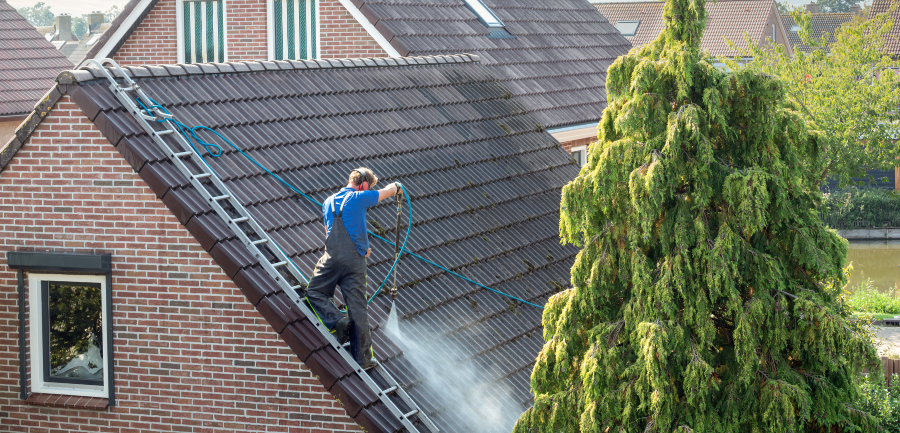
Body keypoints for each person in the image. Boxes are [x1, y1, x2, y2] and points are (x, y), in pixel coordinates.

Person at [304, 167, 400, 369]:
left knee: (313, 292)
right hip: (355, 262)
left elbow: (329, 231)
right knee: (358, 308)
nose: (368, 190)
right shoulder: (359, 197)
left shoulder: (327, 202)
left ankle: (337, 321)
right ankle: (364, 359)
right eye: (369, 186)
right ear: (363, 183)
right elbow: (388, 191)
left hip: (330, 258)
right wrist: (398, 188)